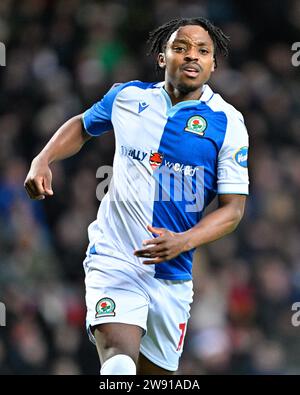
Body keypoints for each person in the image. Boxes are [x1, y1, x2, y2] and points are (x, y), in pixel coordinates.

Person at [24, 17, 249, 375]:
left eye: (202, 51)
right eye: (180, 48)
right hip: (115, 258)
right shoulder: (128, 97)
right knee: (118, 364)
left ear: (213, 64)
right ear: (162, 58)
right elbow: (82, 126)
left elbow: (233, 210)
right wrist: (43, 158)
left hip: (172, 276)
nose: (192, 56)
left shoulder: (229, 123)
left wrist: (184, 241)